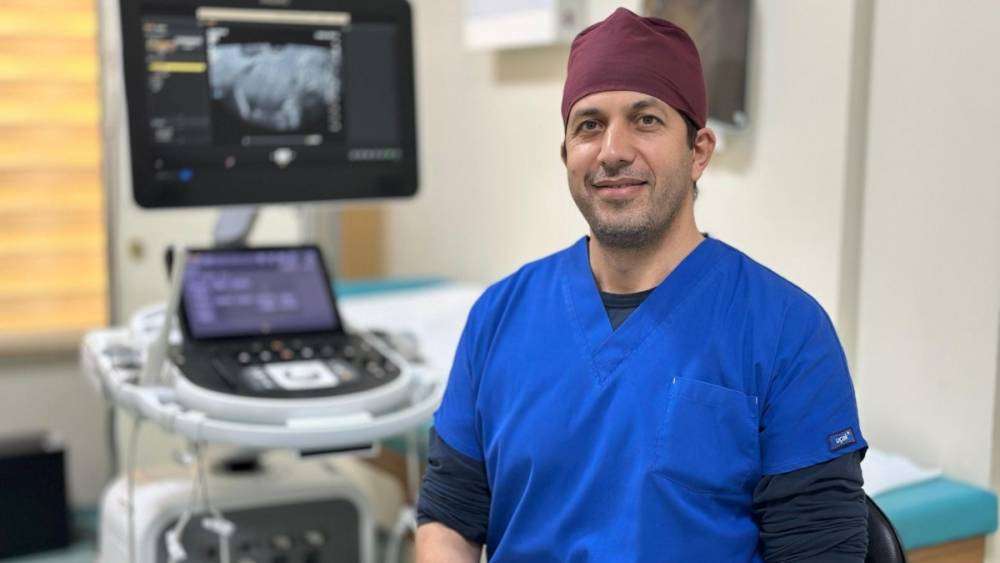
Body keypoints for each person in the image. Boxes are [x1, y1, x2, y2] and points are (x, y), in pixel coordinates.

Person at [415, 8, 868, 562]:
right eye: (589, 125)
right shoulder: (499, 315)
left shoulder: (786, 330)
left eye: (646, 120)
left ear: (698, 151)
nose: (613, 151)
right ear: (567, 155)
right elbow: (449, 519)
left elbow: (819, 550)